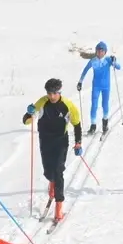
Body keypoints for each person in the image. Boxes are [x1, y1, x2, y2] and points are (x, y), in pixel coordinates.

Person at [22, 79, 82, 223]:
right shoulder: (42, 102)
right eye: (49, 93)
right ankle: (52, 182)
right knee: (49, 172)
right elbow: (26, 121)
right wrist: (29, 112)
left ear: (59, 92)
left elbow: (77, 124)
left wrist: (78, 143)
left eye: (54, 93)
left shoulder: (68, 105)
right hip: (45, 141)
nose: (52, 96)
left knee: (58, 170)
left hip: (61, 141)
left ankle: (59, 205)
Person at [76, 41, 122, 137]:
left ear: (105, 52)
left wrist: (114, 61)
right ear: (96, 51)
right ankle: (93, 126)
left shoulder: (108, 60)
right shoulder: (93, 61)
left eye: (102, 51)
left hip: (106, 87)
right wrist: (80, 82)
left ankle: (105, 124)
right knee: (94, 105)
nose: (100, 53)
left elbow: (118, 67)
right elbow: (85, 71)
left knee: (105, 104)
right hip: (96, 86)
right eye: (98, 51)